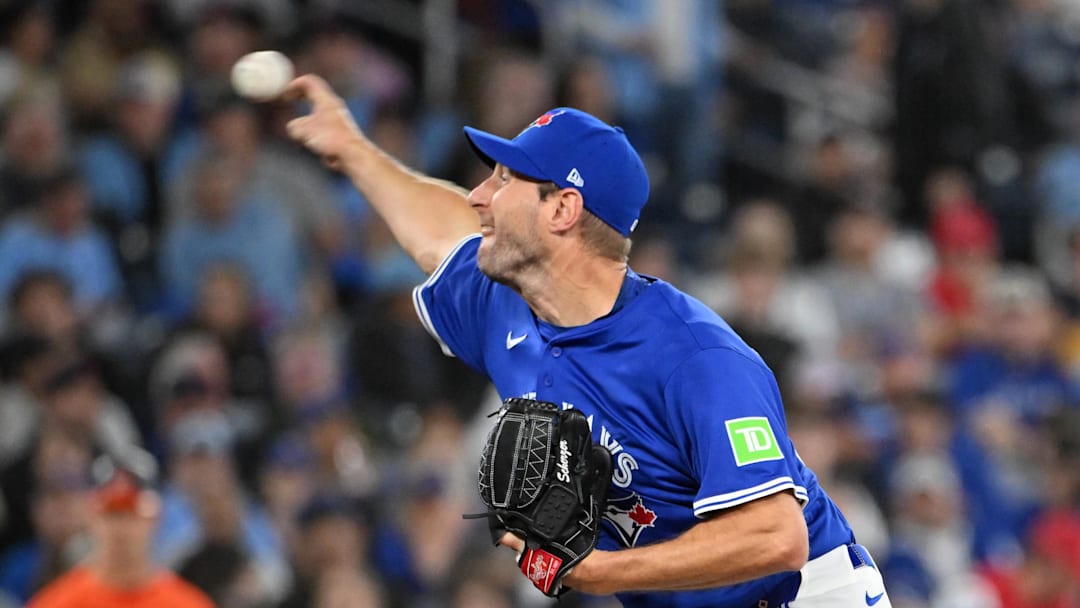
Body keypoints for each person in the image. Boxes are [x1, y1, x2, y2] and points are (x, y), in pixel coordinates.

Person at [284, 74, 892, 607]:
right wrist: (355, 152)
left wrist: (599, 572)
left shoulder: (695, 356)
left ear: (562, 210)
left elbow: (777, 538)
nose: (479, 196)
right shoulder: (509, 301)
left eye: (503, 179)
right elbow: (440, 235)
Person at [27, 453, 213, 608]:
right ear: (91, 516)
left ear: (156, 518)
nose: (121, 529)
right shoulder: (56, 603)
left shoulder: (188, 604)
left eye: (132, 513)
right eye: (112, 513)